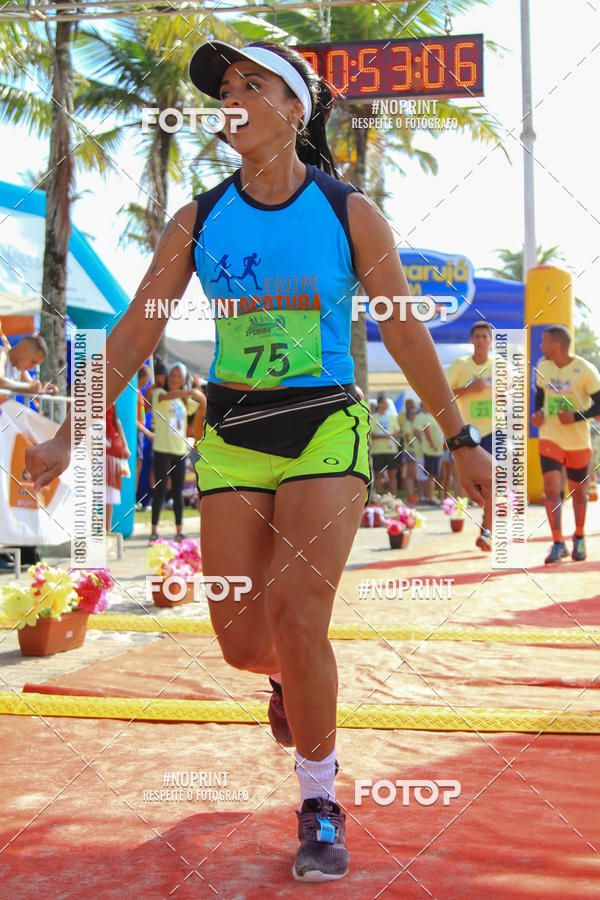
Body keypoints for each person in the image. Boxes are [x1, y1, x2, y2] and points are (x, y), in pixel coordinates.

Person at [24, 39, 491, 883]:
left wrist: (460, 440)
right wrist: (70, 432)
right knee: (245, 646)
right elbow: (136, 328)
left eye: (252, 84)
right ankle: (287, 680)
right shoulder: (197, 220)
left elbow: (401, 326)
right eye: (224, 89)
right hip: (234, 433)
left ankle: (319, 801)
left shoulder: (349, 211)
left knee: (302, 612)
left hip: (326, 427)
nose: (231, 98)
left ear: (294, 108)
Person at [531, 325, 600, 563]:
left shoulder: (586, 370)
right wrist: (538, 413)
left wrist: (576, 416)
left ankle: (579, 537)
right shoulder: (543, 366)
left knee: (578, 492)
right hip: (550, 437)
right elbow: (540, 397)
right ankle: (557, 543)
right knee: (551, 489)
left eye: (544, 342)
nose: (541, 346)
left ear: (557, 346)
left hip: (578, 441)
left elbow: (599, 405)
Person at [446, 320, 494, 550]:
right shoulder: (460, 365)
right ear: (471, 340)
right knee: (470, 483)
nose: (481, 341)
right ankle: (488, 514)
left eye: (485, 336)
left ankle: (487, 531)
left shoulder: (501, 365)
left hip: (495, 430)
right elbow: (444, 394)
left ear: (491, 340)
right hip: (467, 432)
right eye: (478, 337)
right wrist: (468, 389)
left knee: (491, 482)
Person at [150, 362, 203, 542]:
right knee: (160, 490)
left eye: (179, 376)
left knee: (178, 493)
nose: (174, 379)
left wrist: (196, 388)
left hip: (179, 450)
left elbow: (197, 404)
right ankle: (154, 529)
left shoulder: (183, 401)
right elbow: (165, 397)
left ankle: (179, 530)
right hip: (162, 449)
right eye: (172, 375)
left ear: (183, 380)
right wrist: (189, 391)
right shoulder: (159, 393)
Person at [0, 334, 58, 400]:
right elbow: (0, 382)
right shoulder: (2, 354)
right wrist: (29, 387)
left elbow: (32, 386)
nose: (32, 368)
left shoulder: (20, 367)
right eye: (33, 362)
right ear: (24, 348)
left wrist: (45, 388)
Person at [105, 403, 131, 532]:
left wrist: (125, 445)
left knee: (109, 489)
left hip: (110, 448)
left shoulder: (112, 400)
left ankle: (107, 529)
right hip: (92, 446)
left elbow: (116, 421)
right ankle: (92, 529)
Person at [415, 401, 445, 504]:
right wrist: (431, 444)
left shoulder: (432, 416)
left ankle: (430, 497)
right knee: (430, 476)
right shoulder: (425, 416)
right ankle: (430, 498)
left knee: (432, 475)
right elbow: (425, 430)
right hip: (430, 451)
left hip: (436, 451)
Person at [371, 394, 401, 495]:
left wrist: (391, 435)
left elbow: (398, 432)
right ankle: (378, 498)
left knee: (393, 475)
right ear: (379, 404)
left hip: (391, 450)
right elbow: (370, 435)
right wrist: (383, 436)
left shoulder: (392, 417)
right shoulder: (373, 417)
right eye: (384, 403)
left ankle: (393, 498)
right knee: (378, 474)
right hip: (377, 451)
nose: (386, 405)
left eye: (387, 403)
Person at [136, 365, 154, 502]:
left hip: (140, 433)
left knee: (139, 464)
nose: (146, 383)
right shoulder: (133, 393)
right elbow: (132, 419)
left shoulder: (140, 393)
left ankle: (133, 496)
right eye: (146, 380)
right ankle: (131, 497)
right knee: (137, 464)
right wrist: (148, 433)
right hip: (137, 433)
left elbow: (140, 415)